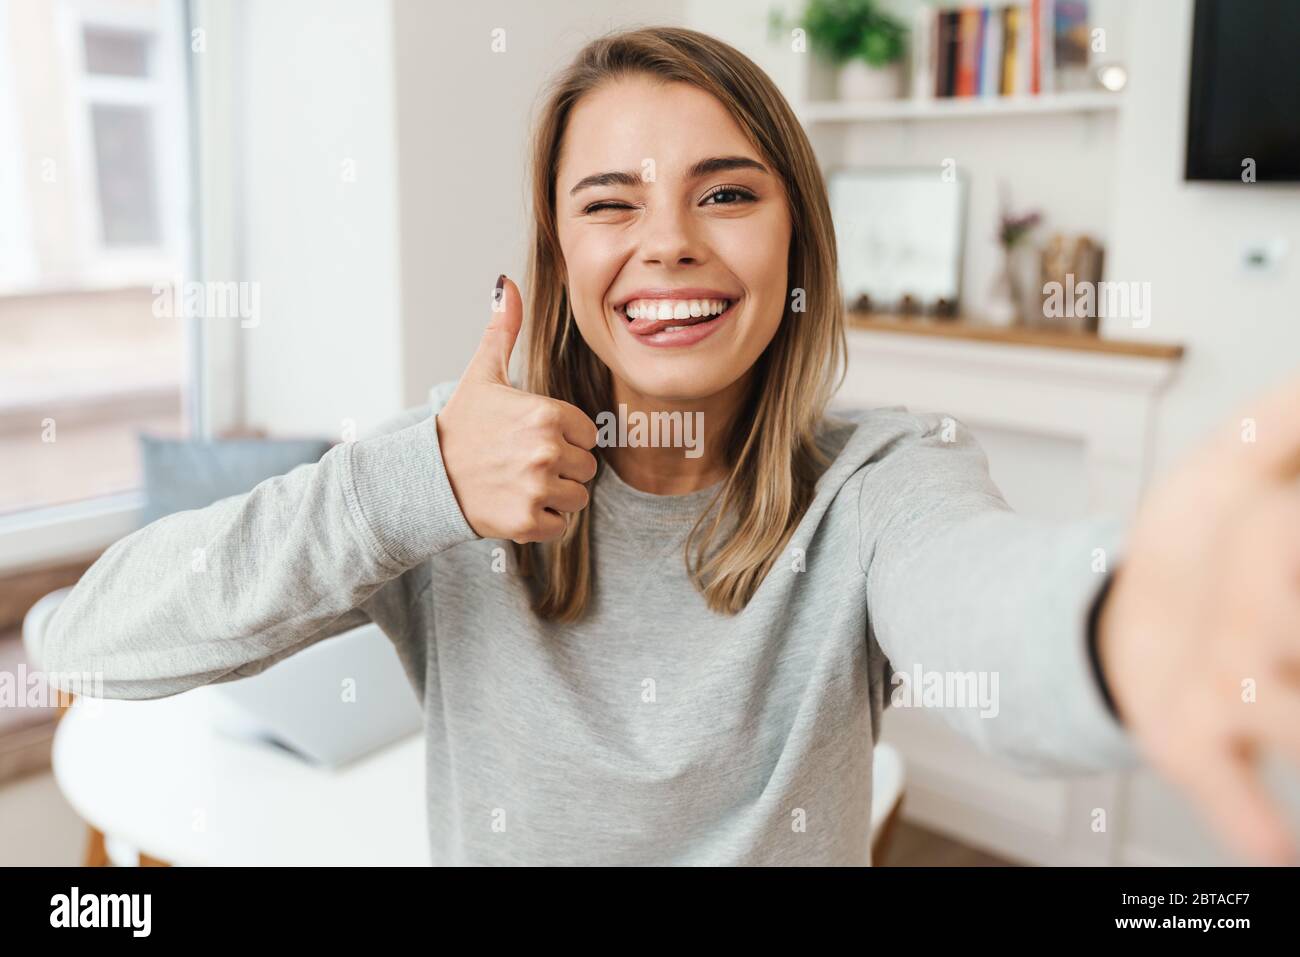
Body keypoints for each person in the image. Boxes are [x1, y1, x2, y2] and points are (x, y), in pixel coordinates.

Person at [31, 26, 1300, 866]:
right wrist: (405, 482)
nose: (670, 240)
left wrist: (1112, 621)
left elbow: (975, 591)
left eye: (727, 192)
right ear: (561, 257)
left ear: (795, 243)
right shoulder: (449, 484)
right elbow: (90, 641)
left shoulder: (882, 478)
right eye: (610, 204)